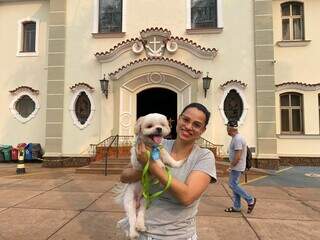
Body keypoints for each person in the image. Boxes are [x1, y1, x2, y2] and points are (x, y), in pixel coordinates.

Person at [120, 102, 217, 240]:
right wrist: (142, 167)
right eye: (186, 120)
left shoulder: (204, 157)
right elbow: (124, 176)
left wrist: (151, 165)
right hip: (143, 233)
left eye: (196, 125)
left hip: (178, 235)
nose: (188, 126)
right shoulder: (157, 144)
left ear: (203, 130)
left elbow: (187, 197)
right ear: (178, 119)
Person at [224, 120, 256, 213]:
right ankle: (237, 206)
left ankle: (250, 200)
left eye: (227, 128)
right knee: (235, 185)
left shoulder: (237, 139)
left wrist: (231, 166)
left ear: (230, 128)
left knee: (233, 184)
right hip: (237, 166)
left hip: (237, 166)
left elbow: (238, 155)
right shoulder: (236, 138)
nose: (226, 129)